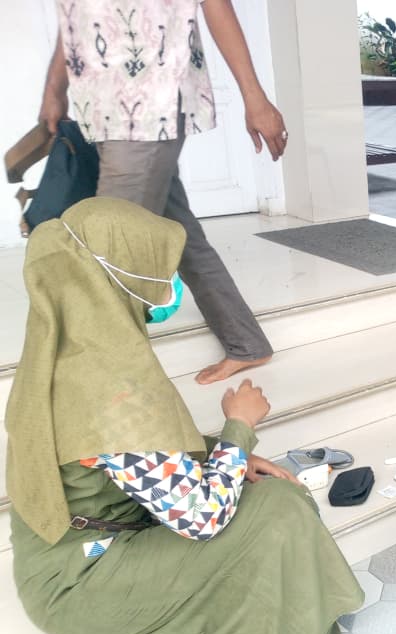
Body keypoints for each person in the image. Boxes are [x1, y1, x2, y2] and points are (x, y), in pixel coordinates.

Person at [7, 198, 364, 634]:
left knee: (260, 493)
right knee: (274, 509)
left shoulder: (68, 352)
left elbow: (134, 455)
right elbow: (203, 518)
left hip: (84, 548)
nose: (170, 284)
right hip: (81, 580)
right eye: (156, 269)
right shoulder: (109, 390)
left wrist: (229, 455)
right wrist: (238, 428)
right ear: (119, 278)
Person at [37, 0, 282, 384]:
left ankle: (113, 387)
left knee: (110, 255)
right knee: (179, 234)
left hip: (151, 101)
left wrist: (254, 96)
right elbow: (74, 14)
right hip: (101, 105)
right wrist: (55, 88)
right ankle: (246, 342)